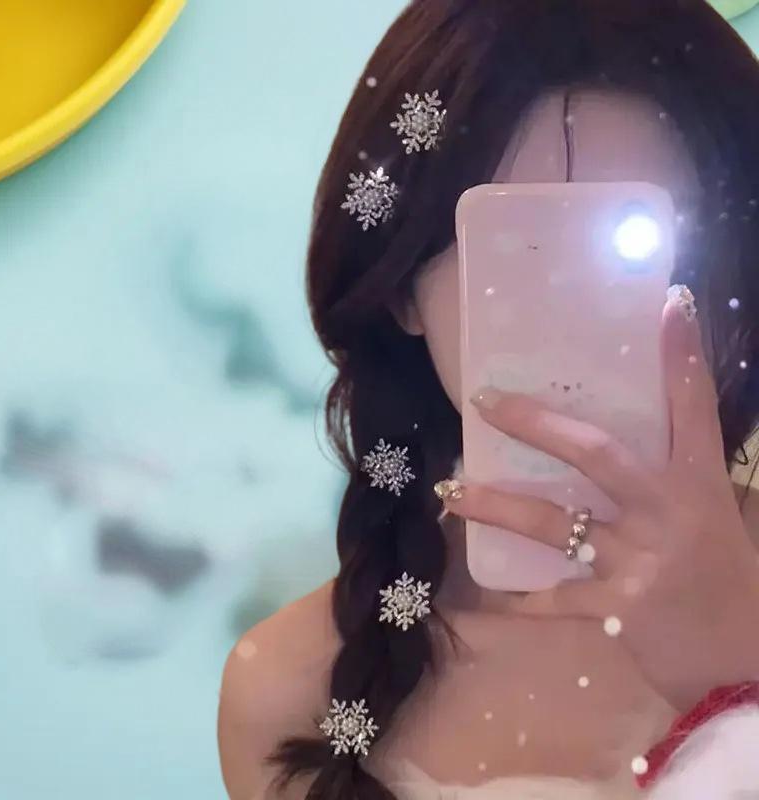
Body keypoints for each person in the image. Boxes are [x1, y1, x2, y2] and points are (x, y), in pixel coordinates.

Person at [217, 1, 759, 797]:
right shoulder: (287, 693)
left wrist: (735, 682)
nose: (587, 314)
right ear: (400, 286)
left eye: (653, 248)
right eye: (527, 248)